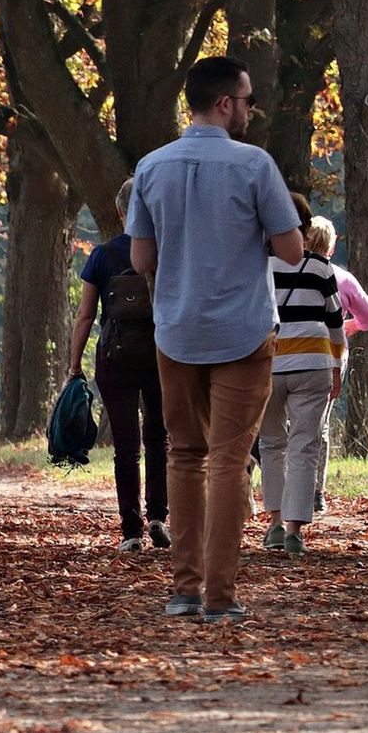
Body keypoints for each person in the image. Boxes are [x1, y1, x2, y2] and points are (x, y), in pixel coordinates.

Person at [128, 55, 305, 623]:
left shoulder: (151, 168)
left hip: (175, 329)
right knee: (229, 459)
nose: (252, 110)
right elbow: (293, 251)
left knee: (183, 455)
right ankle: (220, 597)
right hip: (244, 330)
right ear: (226, 103)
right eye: (248, 100)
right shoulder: (255, 166)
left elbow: (140, 258)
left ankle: (183, 589)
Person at [69, 177, 169, 553]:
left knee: (126, 445)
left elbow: (84, 316)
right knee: (159, 437)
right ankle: (159, 514)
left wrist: (74, 364)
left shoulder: (102, 255)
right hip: (160, 354)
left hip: (116, 356)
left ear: (120, 211)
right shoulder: (164, 251)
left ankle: (131, 530)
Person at [258, 214, 346, 557]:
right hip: (312, 365)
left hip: (267, 365)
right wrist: (337, 364)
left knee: (271, 445)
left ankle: (276, 524)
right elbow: (336, 322)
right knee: (304, 446)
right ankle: (296, 530)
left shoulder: (260, 267)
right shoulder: (321, 269)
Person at [315, 242, 368, 513]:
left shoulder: (283, 271)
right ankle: (317, 491)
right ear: (330, 246)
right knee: (321, 425)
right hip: (331, 352)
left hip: (288, 353)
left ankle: (286, 489)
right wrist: (352, 324)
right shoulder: (341, 278)